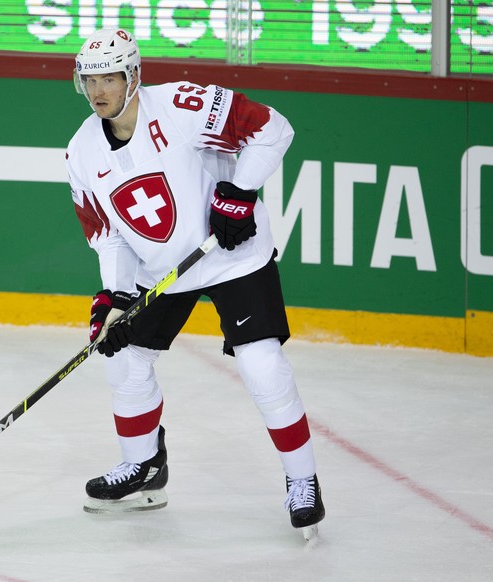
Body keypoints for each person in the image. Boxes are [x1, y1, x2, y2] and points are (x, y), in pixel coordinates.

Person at [64, 28, 325, 537]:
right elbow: (109, 234)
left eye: (111, 78)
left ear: (134, 76)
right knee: (123, 356)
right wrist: (115, 295)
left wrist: (239, 191)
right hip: (160, 270)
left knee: (261, 364)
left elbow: (274, 129)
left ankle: (303, 480)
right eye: (90, 79)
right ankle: (143, 465)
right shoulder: (80, 152)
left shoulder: (184, 105)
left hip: (231, 256)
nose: (99, 91)